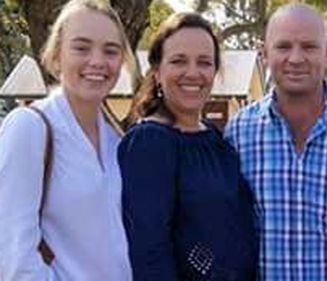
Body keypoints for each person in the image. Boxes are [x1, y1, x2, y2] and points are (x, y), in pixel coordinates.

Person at [224, 3, 327, 280]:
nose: (296, 58)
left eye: (309, 46)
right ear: (264, 54)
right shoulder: (240, 132)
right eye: (283, 46)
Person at [0, 0, 136, 280]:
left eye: (110, 51)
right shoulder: (30, 128)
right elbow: (14, 257)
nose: (97, 61)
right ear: (57, 54)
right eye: (81, 48)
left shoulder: (117, 139)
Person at [118, 13, 257, 281]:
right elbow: (149, 251)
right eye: (179, 61)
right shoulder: (149, 143)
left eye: (204, 62)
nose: (193, 73)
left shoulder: (218, 141)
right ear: (157, 72)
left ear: (215, 72)